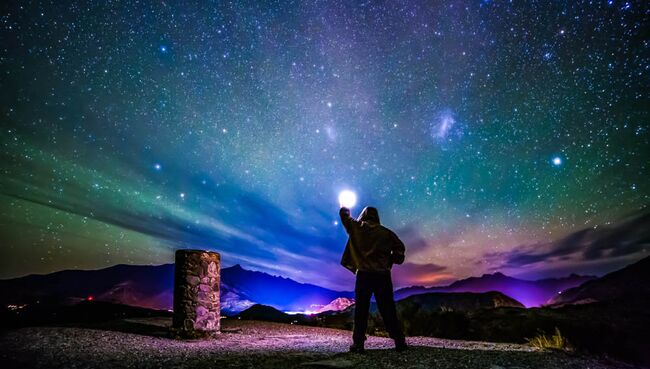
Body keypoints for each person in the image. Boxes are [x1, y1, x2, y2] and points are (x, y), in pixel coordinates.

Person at [339, 206, 407, 353]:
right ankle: (399, 341)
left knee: (361, 310)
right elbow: (400, 251)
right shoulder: (387, 233)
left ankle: (358, 344)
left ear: (364, 215)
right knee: (388, 309)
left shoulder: (357, 227)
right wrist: (391, 258)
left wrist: (344, 207)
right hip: (383, 276)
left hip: (364, 275)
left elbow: (345, 217)